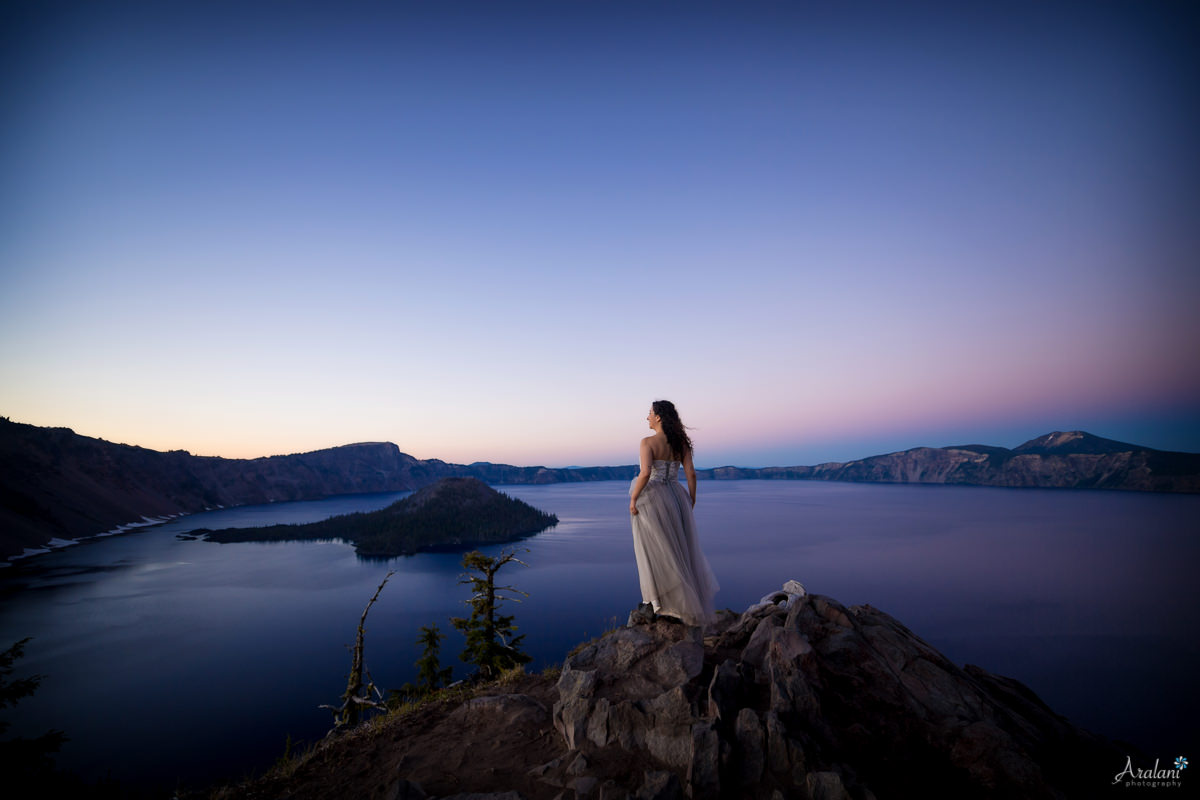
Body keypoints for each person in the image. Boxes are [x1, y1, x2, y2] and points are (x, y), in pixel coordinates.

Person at [628, 400, 719, 626]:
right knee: (680, 547)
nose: (647, 417)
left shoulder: (647, 442)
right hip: (677, 496)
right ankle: (682, 603)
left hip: (654, 497)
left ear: (658, 417)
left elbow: (646, 472)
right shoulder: (681, 443)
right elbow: (691, 473)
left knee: (658, 549)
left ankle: (662, 602)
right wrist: (692, 498)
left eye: (649, 413)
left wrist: (633, 498)